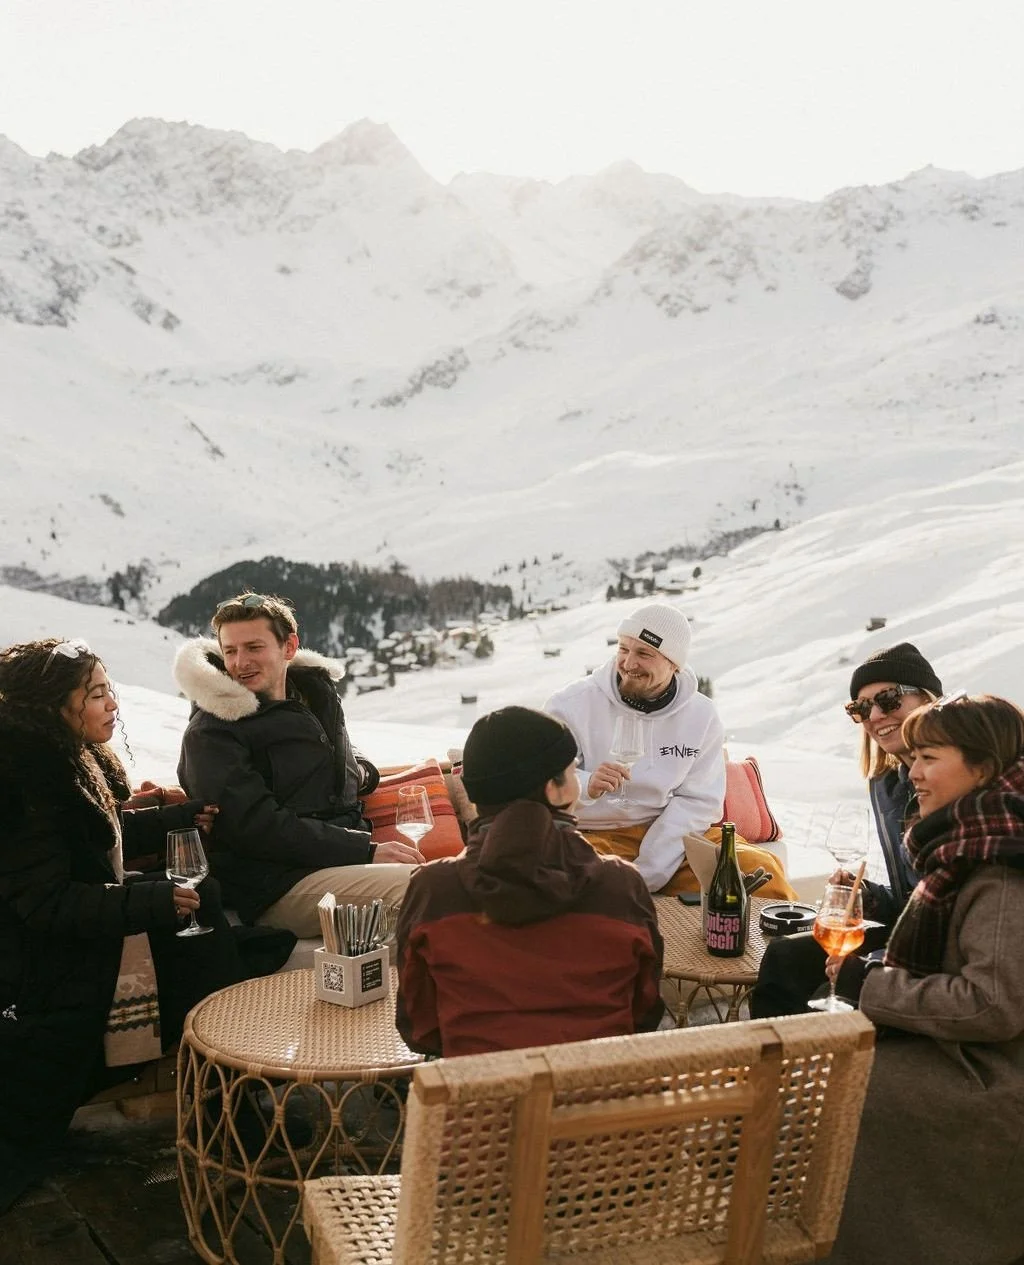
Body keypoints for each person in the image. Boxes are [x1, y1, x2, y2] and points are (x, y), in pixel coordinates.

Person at [0, 638, 245, 1212]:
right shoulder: (22, 784)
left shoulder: (61, 760)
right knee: (202, 937)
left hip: (73, 936)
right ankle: (232, 1110)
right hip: (43, 968)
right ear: (52, 706)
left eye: (109, 689)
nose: (112, 703)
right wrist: (152, 903)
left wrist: (176, 821)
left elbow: (95, 840)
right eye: (96, 694)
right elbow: (47, 903)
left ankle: (228, 1107)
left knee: (205, 913)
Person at [823, 694, 1024, 1265]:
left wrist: (869, 986)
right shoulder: (974, 840)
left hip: (993, 1078)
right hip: (967, 1053)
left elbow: (992, 1003)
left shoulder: (1001, 866)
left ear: (982, 767)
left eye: (929, 757)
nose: (911, 772)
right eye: (913, 757)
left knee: (835, 1085)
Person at [395, 706, 665, 1056]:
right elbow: (644, 1012)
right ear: (555, 791)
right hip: (600, 1086)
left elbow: (419, 1029)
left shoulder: (433, 891)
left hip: (478, 1089)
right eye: (572, 772)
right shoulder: (621, 887)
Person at [174, 593, 422, 939]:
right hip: (276, 883)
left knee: (455, 879)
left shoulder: (313, 696)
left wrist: (363, 771)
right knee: (420, 890)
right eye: (230, 651)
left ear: (289, 646)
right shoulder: (213, 731)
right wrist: (365, 850)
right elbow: (257, 828)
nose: (240, 662)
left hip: (339, 859)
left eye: (254, 647)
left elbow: (337, 748)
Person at [545, 602, 791, 898]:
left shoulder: (700, 716)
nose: (628, 663)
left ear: (674, 663)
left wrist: (651, 868)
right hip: (589, 833)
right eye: (623, 649)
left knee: (758, 872)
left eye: (643, 653)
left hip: (669, 837)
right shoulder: (572, 704)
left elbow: (699, 802)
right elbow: (544, 778)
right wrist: (587, 784)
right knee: (582, 883)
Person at [751, 642, 942, 1017]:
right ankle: (767, 1052)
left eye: (888, 699)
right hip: (908, 926)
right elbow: (911, 895)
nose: (876, 715)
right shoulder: (887, 784)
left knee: (829, 994)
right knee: (784, 955)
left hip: (937, 942)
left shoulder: (954, 778)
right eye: (861, 708)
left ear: (927, 698)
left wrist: (869, 966)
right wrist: (868, 895)